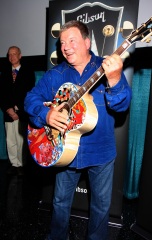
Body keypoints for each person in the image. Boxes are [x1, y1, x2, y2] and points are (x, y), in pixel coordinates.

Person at [24, 20, 132, 240]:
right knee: (60, 201)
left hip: (100, 151)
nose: (65, 47)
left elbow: (122, 105)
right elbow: (30, 98)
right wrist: (47, 115)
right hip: (65, 151)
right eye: (62, 42)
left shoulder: (106, 66)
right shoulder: (56, 74)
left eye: (71, 40)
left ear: (86, 42)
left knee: (101, 206)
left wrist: (115, 79)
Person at [0, 46, 35, 176]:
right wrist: (8, 109)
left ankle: (21, 164)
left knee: (21, 140)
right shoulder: (4, 73)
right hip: (8, 113)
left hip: (22, 112)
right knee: (10, 140)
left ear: (20, 55)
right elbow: (1, 94)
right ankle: (13, 164)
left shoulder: (28, 71)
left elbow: (29, 93)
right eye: (9, 54)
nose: (12, 57)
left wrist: (17, 109)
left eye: (14, 54)